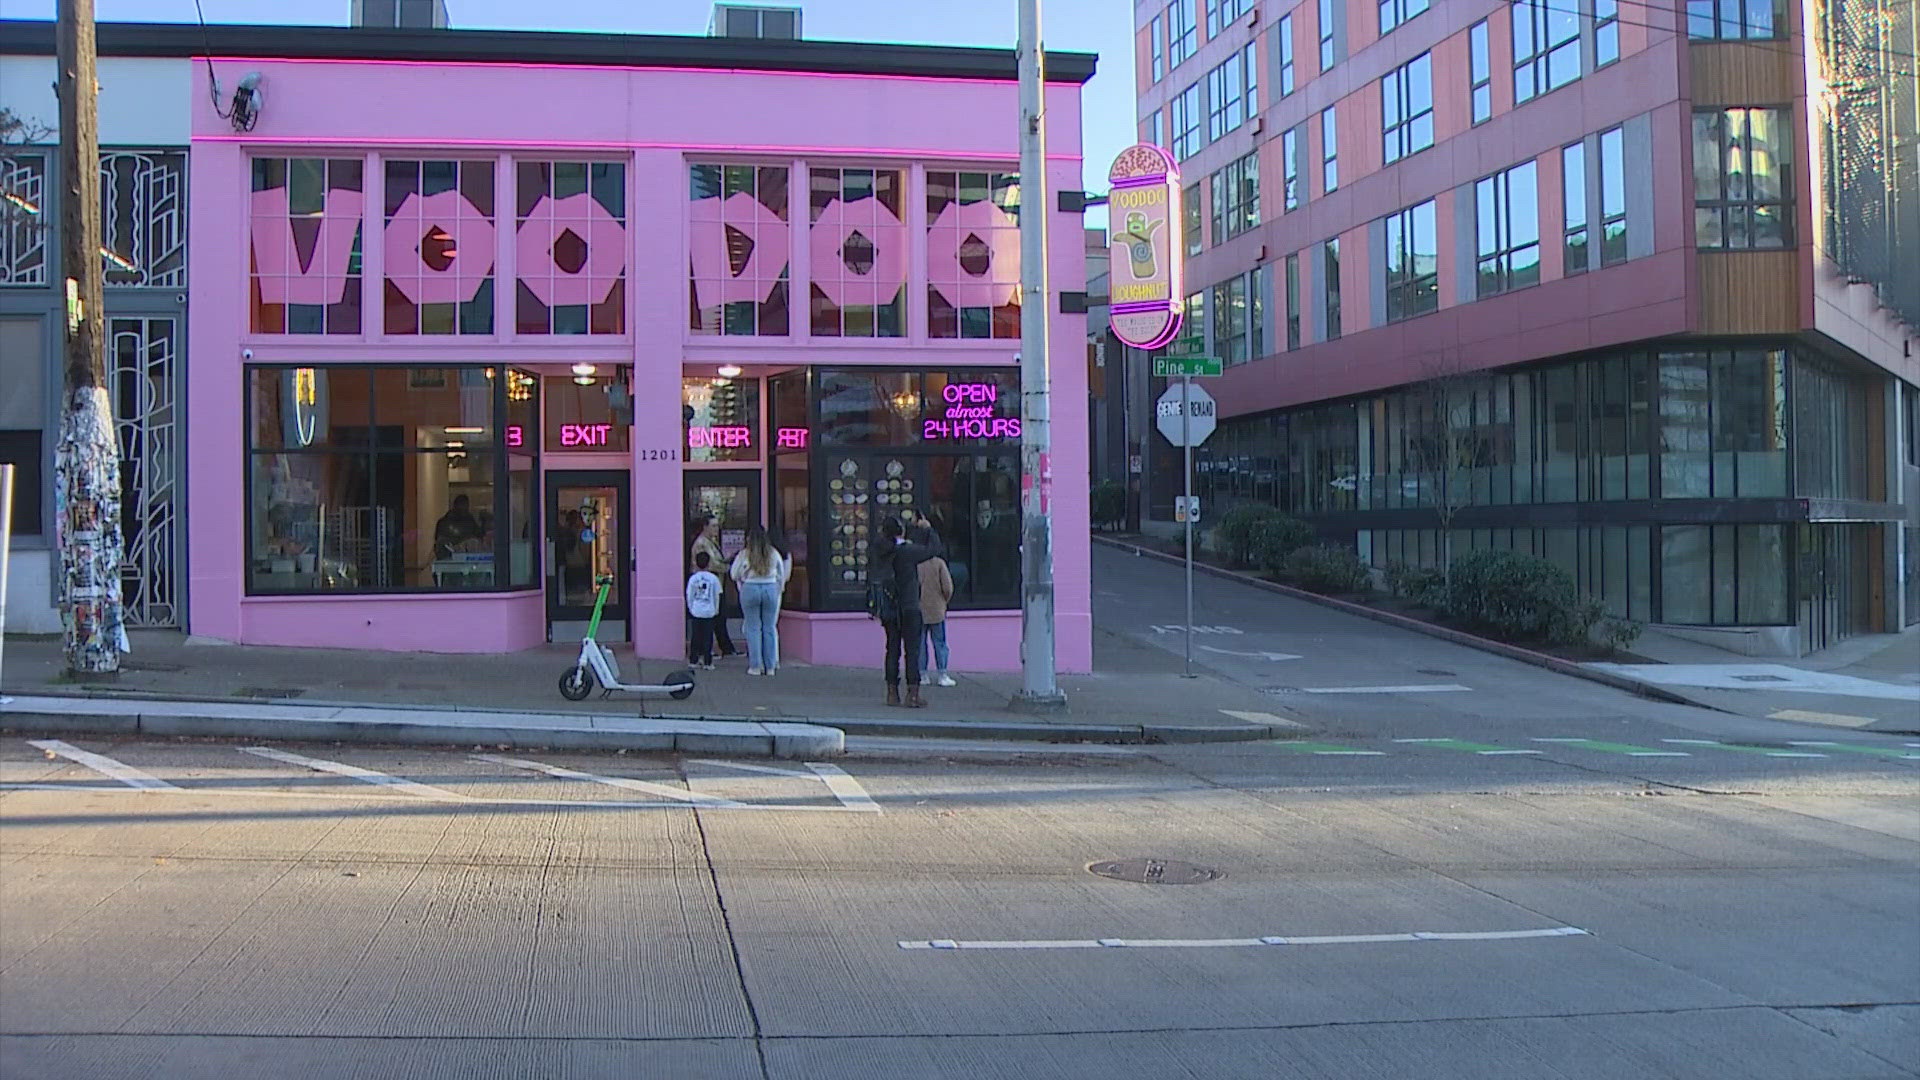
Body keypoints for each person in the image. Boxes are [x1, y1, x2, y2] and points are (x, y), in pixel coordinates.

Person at [871, 516, 932, 708]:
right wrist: (927, 529)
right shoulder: (906, 551)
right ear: (901, 531)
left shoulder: (879, 550)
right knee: (912, 652)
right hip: (909, 605)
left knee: (892, 650)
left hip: (889, 607)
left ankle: (892, 693)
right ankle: (912, 695)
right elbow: (933, 550)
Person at [730, 523, 790, 676]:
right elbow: (781, 574)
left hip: (750, 588)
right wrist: (778, 588)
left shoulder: (745, 554)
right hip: (770, 587)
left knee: (753, 628)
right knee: (769, 627)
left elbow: (734, 574)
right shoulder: (773, 553)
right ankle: (770, 666)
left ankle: (756, 666)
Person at [912, 523, 956, 687]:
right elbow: (948, 587)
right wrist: (944, 601)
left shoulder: (915, 563)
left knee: (920, 643)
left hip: (918, 608)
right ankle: (942, 674)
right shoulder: (938, 563)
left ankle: (923, 674)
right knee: (940, 643)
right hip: (937, 608)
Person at [691, 517, 740, 659]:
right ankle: (707, 649)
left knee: (719, 618)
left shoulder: (711, 542)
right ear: (705, 527)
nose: (716, 529)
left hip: (717, 584)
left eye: (717, 526)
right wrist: (729, 568)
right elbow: (710, 564)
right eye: (713, 526)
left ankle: (726, 647)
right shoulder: (701, 543)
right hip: (707, 586)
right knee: (712, 618)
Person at [685, 551, 721, 670]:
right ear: (709, 563)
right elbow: (716, 595)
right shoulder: (714, 578)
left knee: (695, 636)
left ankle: (694, 660)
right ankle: (707, 661)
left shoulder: (693, 578)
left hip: (696, 610)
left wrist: (691, 607)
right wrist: (716, 609)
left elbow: (689, 594)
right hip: (709, 611)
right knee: (708, 637)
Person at [434, 494, 483, 559]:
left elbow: (478, 535)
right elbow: (440, 542)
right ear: (455, 505)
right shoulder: (445, 522)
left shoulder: (469, 520)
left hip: (465, 557)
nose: (463, 507)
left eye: (465, 505)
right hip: (449, 557)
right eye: (462, 505)